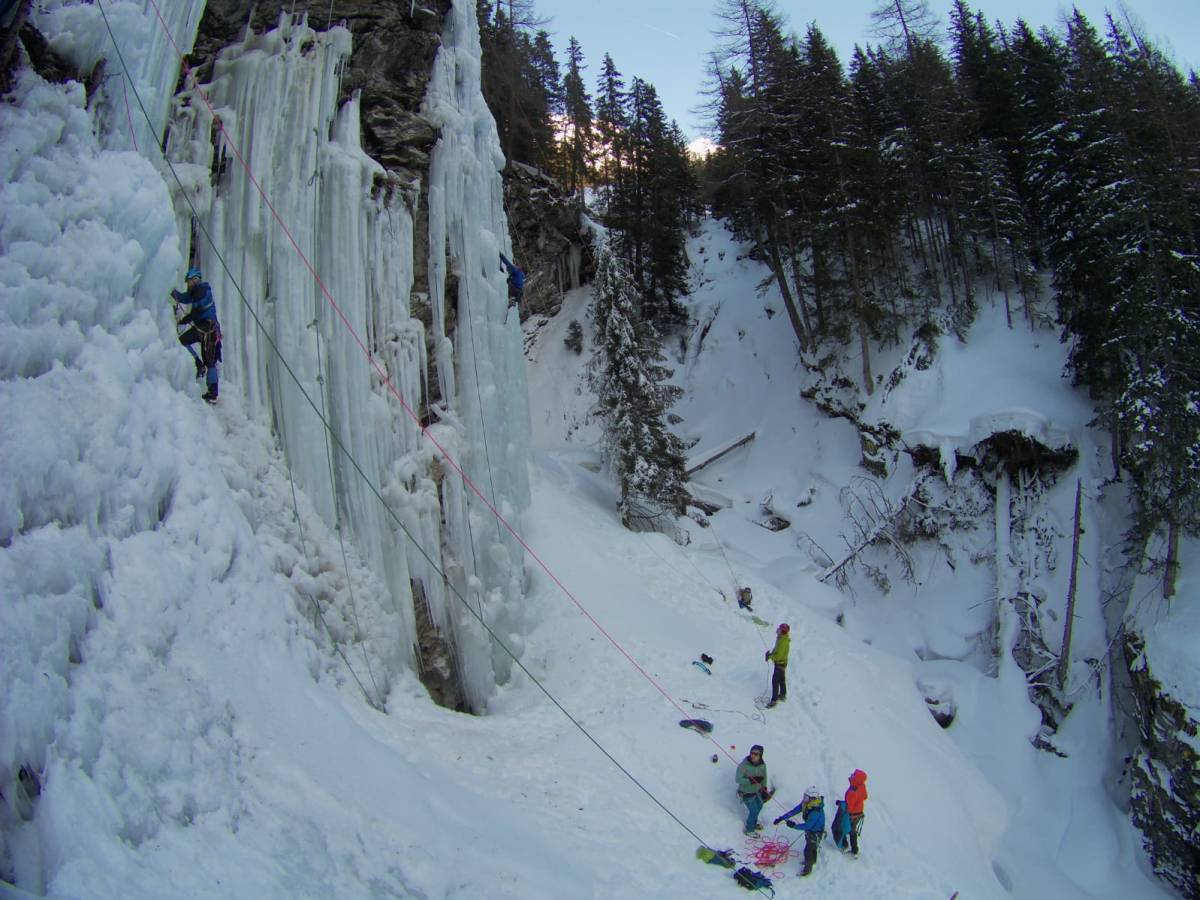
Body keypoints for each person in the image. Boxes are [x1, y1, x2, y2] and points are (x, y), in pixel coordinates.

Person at [171, 267, 221, 403]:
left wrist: (184, 320)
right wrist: (171, 290)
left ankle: (212, 392)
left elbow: (197, 312)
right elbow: (182, 298)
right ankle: (199, 365)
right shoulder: (195, 292)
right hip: (206, 328)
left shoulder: (202, 289)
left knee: (209, 360)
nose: (187, 284)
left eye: (188, 281)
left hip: (208, 328)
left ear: (195, 280)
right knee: (186, 342)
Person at [774, 785, 825, 876]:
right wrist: (782, 818)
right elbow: (795, 811)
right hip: (810, 830)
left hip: (816, 832)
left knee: (809, 849)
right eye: (804, 796)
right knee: (811, 846)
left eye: (806, 797)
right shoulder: (806, 804)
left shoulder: (815, 812)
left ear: (812, 798)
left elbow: (808, 825)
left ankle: (807, 869)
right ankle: (812, 860)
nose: (804, 799)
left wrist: (794, 826)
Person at [734, 744, 772, 835]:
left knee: (759, 806)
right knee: (753, 811)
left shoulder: (762, 765)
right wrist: (751, 780)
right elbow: (738, 779)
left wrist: (764, 788)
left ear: (760, 755)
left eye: (756, 754)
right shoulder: (744, 765)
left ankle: (753, 823)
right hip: (746, 793)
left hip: (756, 792)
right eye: (752, 753)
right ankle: (749, 830)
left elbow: (764, 777)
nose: (753, 755)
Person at [764, 623, 790, 708]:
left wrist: (770, 656)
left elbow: (779, 656)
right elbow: (777, 651)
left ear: (782, 631)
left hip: (780, 663)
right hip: (781, 663)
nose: (777, 630)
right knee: (781, 680)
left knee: (775, 681)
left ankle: (774, 701)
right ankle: (782, 695)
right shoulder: (781, 638)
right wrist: (771, 654)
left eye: (779, 629)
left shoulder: (783, 641)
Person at [845, 768, 868, 856]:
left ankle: (852, 848)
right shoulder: (862, 786)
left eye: (854, 775)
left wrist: (845, 811)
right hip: (859, 813)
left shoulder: (852, 792)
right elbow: (865, 796)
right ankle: (854, 849)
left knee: (850, 831)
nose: (852, 775)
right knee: (852, 830)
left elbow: (849, 807)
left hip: (852, 815)